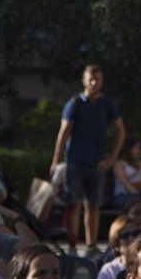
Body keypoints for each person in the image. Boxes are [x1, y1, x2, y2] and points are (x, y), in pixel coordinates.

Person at [50, 64, 124, 250]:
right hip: (75, 161)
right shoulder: (74, 104)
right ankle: (73, 244)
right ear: (84, 80)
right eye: (90, 79)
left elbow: (120, 131)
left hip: (96, 163)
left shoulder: (106, 105)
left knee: (93, 205)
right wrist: (56, 160)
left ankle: (91, 245)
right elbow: (64, 133)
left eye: (97, 79)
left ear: (102, 81)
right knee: (74, 204)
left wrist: (111, 158)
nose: (94, 83)